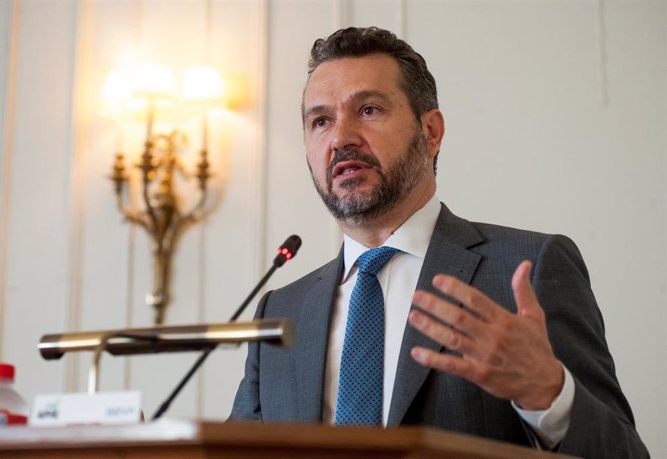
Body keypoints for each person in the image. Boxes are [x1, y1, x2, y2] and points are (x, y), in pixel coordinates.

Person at [231, 26, 648, 457]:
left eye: (369, 110)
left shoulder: (528, 269)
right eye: (321, 121)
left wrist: (549, 395)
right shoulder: (282, 311)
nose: (341, 138)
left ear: (430, 132)